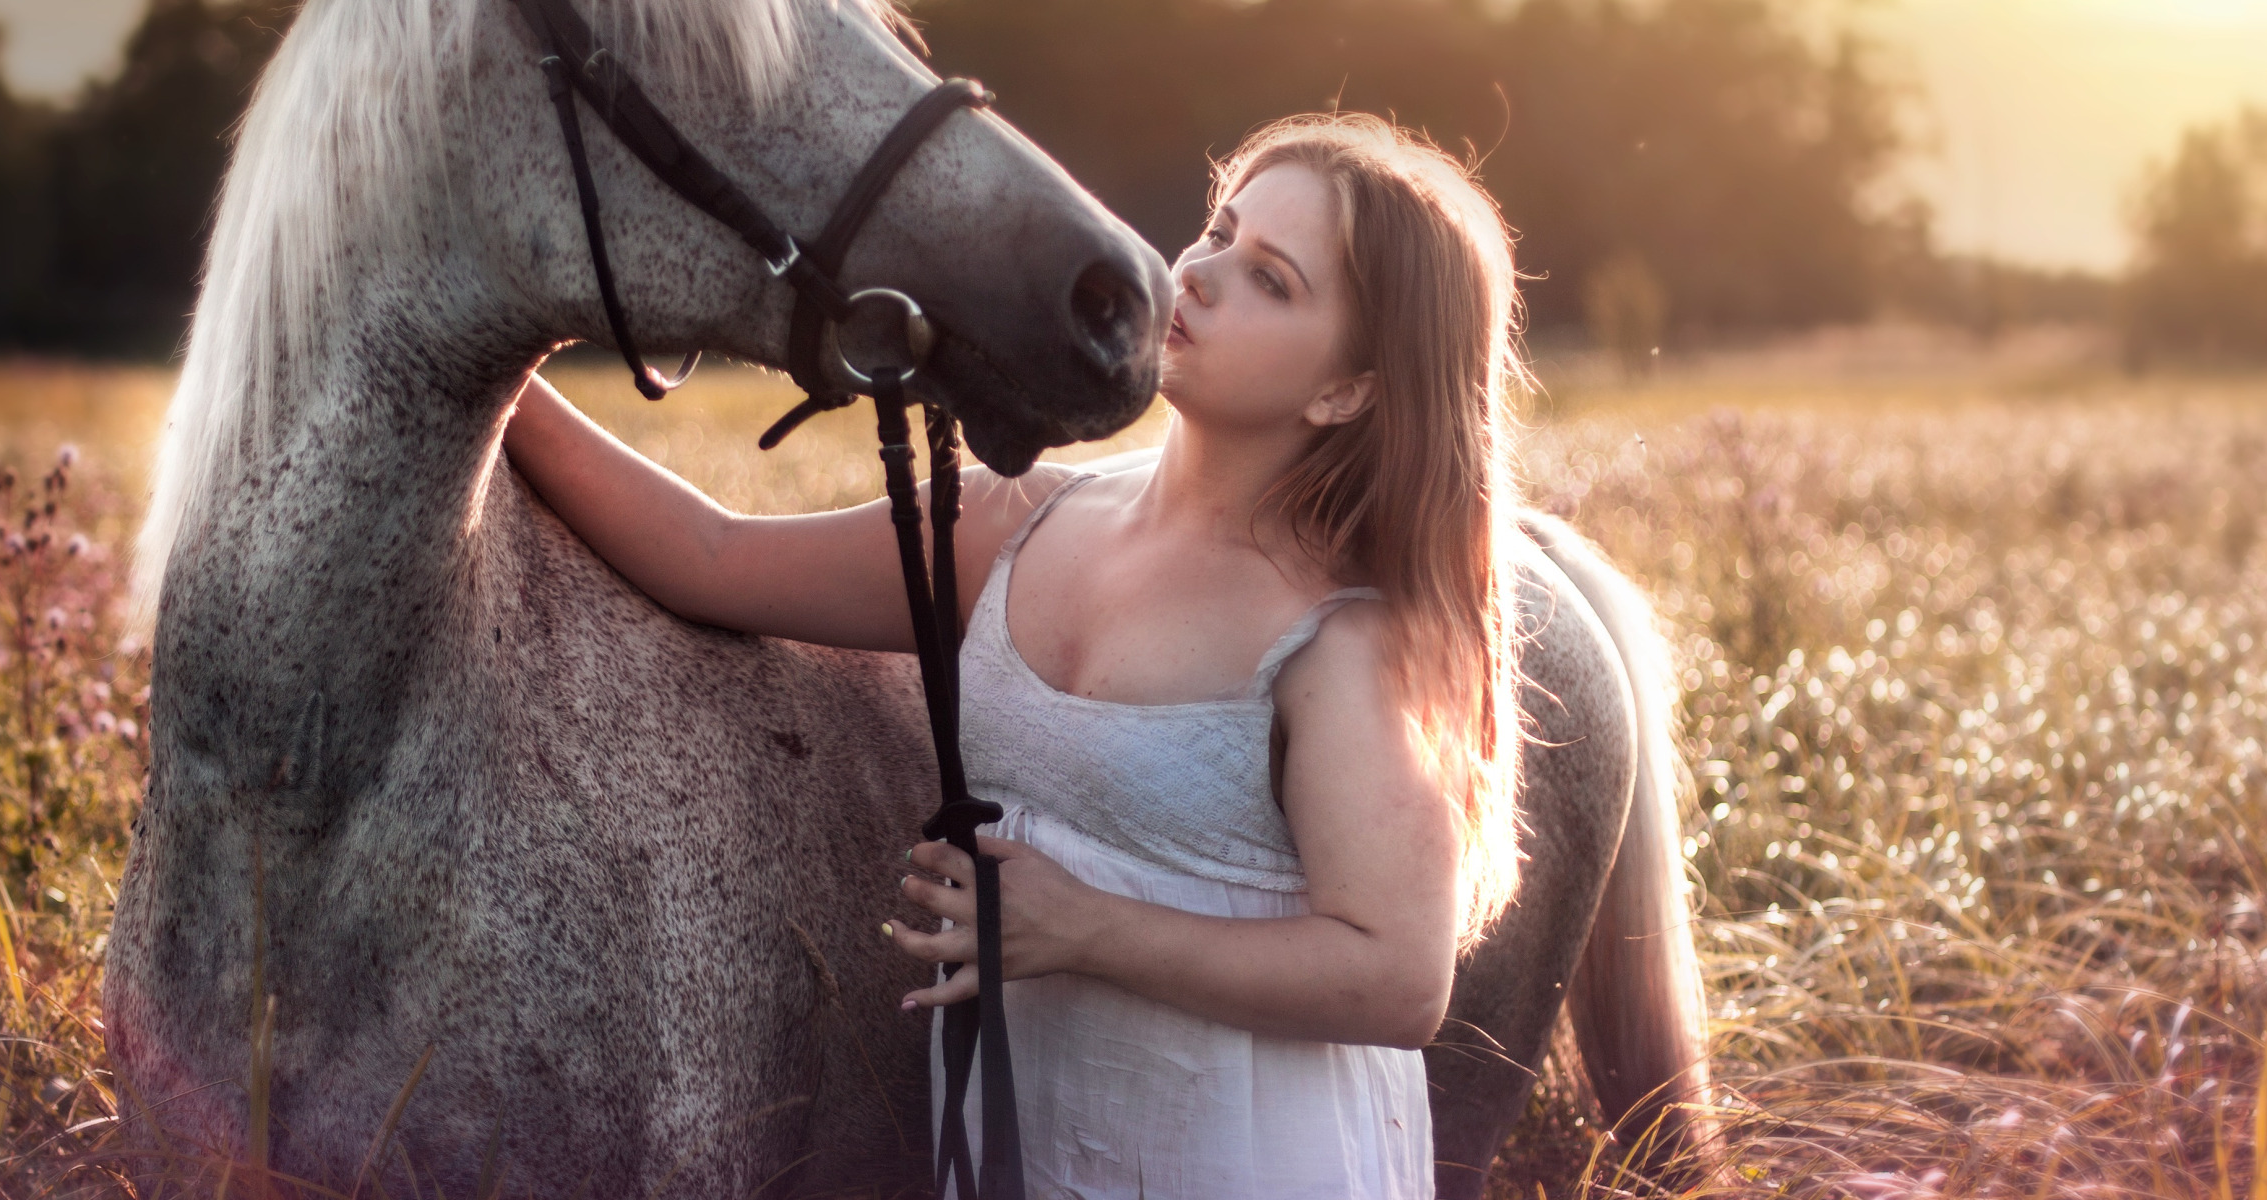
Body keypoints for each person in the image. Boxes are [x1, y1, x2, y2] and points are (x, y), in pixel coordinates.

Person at [499, 111, 1527, 1198]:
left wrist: (1084, 928)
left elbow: (1395, 978)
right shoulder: (1016, 520)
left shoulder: (1345, 632)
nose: (1201, 275)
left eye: (1271, 279)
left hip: (1252, 1160)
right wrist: (485, 374)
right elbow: (710, 556)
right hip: (1020, 1145)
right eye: (1219, 233)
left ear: (1346, 390)